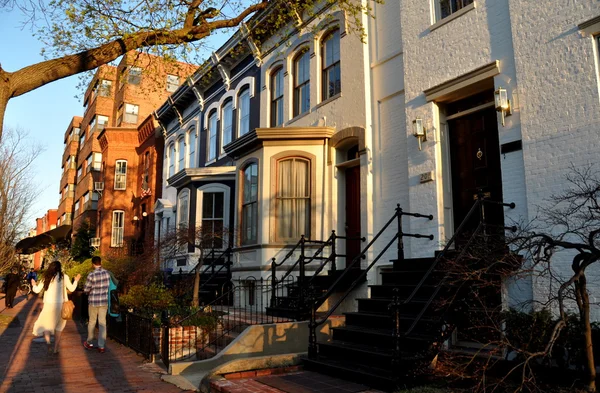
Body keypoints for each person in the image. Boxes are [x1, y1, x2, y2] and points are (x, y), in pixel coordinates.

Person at [30, 261, 81, 355]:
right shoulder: (64, 277)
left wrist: (33, 284)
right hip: (61, 305)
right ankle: (56, 348)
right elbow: (72, 289)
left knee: (46, 325)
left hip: (48, 305)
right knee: (59, 328)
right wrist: (76, 280)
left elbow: (37, 290)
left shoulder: (46, 277)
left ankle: (48, 343)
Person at [83, 256, 117, 353]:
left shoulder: (91, 275)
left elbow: (86, 289)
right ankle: (101, 346)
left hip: (93, 301)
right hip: (104, 301)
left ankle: (89, 342)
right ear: (101, 262)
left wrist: (89, 291)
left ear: (92, 264)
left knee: (92, 322)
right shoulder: (107, 274)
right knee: (102, 323)